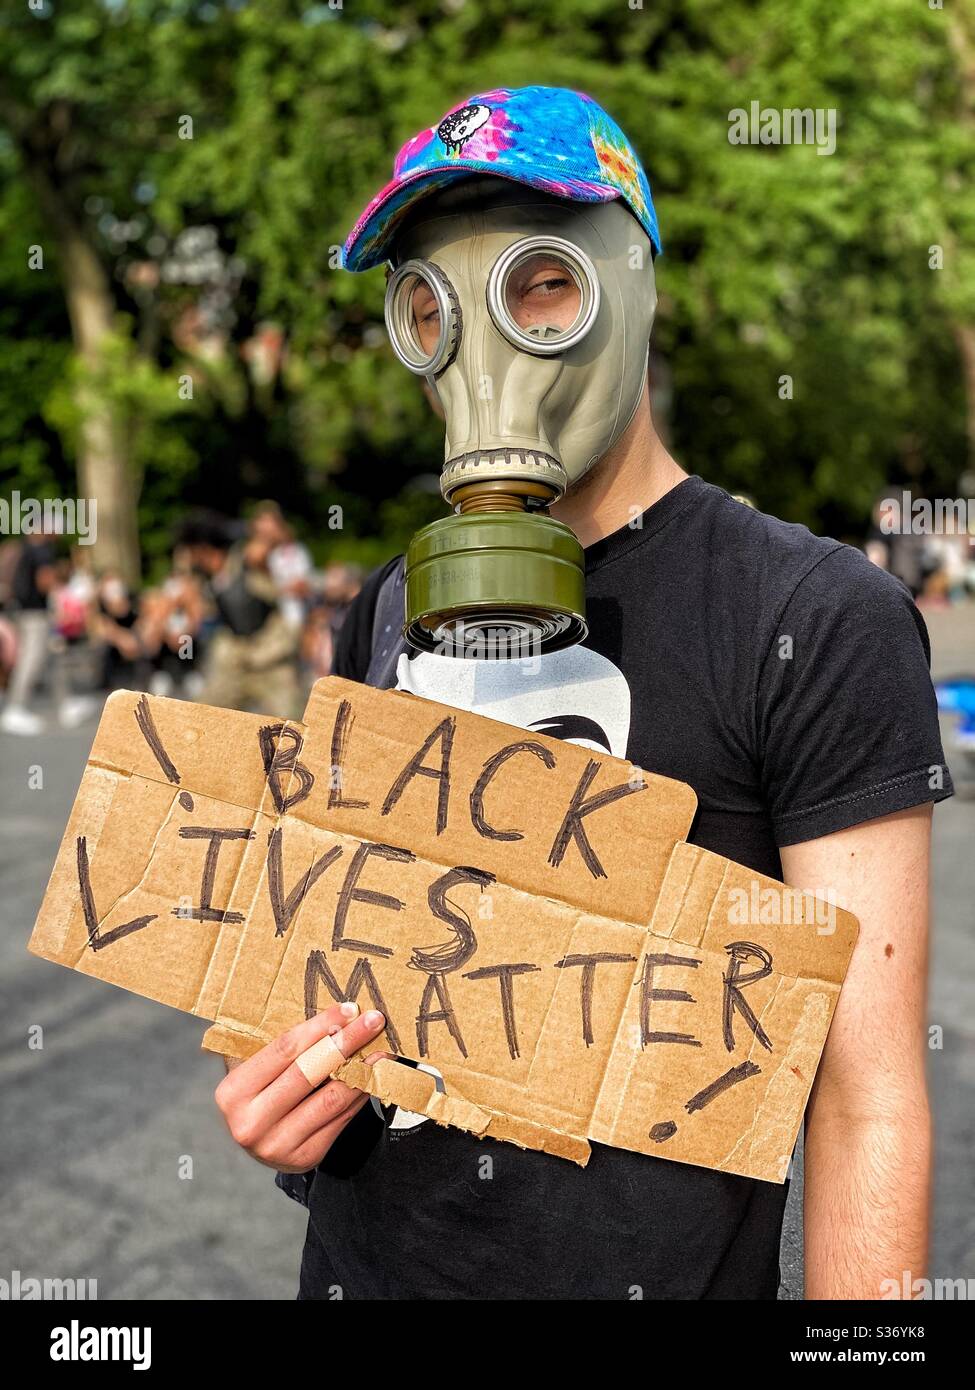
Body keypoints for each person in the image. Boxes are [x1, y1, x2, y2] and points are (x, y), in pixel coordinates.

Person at [216, 86, 952, 1300]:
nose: (489, 348)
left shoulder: (809, 617)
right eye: (430, 304)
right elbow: (339, 973)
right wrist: (286, 1094)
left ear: (634, 286)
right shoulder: (390, 606)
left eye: (541, 284)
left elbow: (867, 1105)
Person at [181, 511, 303, 717]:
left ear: (201, 549)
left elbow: (265, 546)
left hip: (271, 658)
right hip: (236, 662)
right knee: (203, 716)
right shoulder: (207, 580)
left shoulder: (246, 558)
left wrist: (263, 532)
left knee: (292, 723)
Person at [1, 530, 57, 735]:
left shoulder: (22, 547)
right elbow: (45, 580)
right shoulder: (41, 551)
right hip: (36, 613)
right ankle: (16, 707)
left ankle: (18, 706)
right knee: (31, 659)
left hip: (22, 611)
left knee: (29, 658)